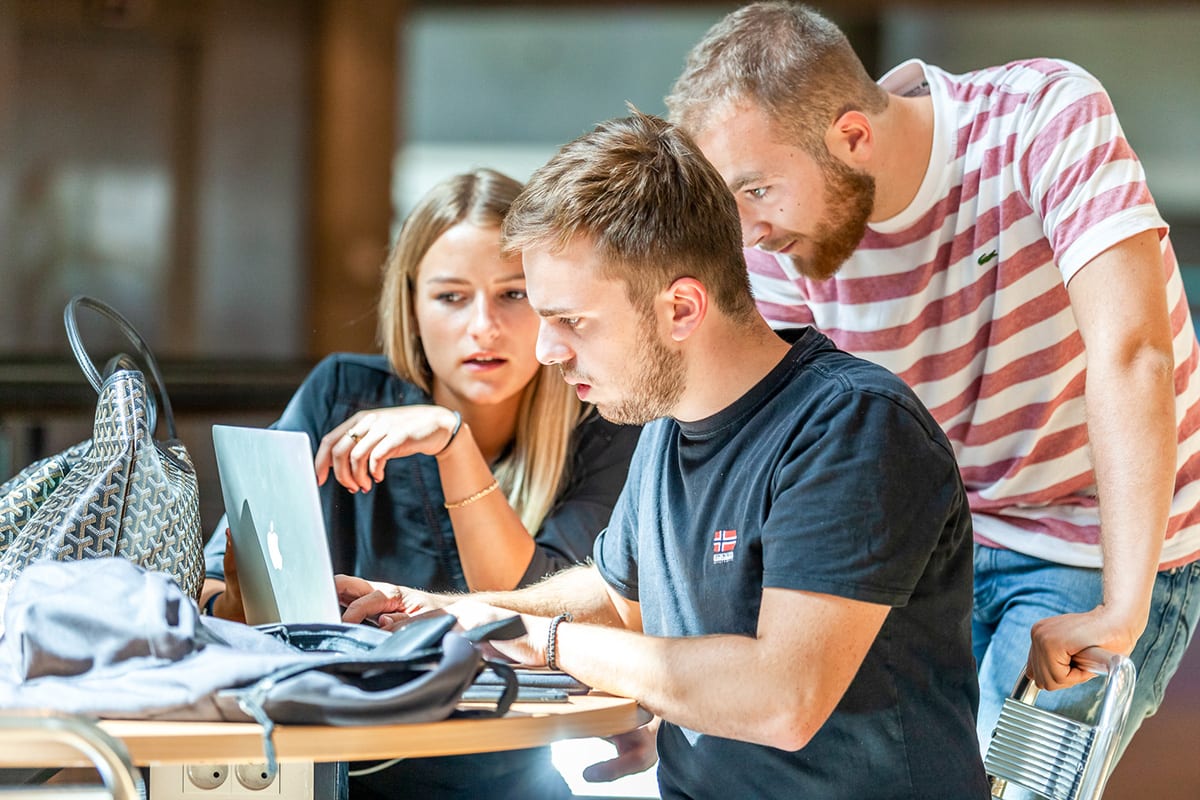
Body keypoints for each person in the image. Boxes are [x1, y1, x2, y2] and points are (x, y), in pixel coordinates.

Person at [338, 110, 990, 799]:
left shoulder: (853, 426)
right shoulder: (669, 428)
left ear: (681, 309)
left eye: (571, 321)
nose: (545, 351)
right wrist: (448, 612)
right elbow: (620, 601)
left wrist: (537, 635)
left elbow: (782, 697)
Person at [664, 0, 1200, 767]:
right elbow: (778, 437)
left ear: (853, 135)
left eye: (757, 191)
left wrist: (1122, 607)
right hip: (938, 540)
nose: (749, 231)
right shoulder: (777, 246)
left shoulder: (1041, 116)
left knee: (1005, 782)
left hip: (1092, 539)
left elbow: (1133, 352)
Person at [200, 168, 640, 800]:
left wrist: (452, 444)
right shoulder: (343, 395)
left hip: (506, 773)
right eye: (451, 297)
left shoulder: (600, 421)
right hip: (338, 766)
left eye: (513, 294)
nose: (482, 327)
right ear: (411, 305)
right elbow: (219, 591)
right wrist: (251, 598)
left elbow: (538, 606)